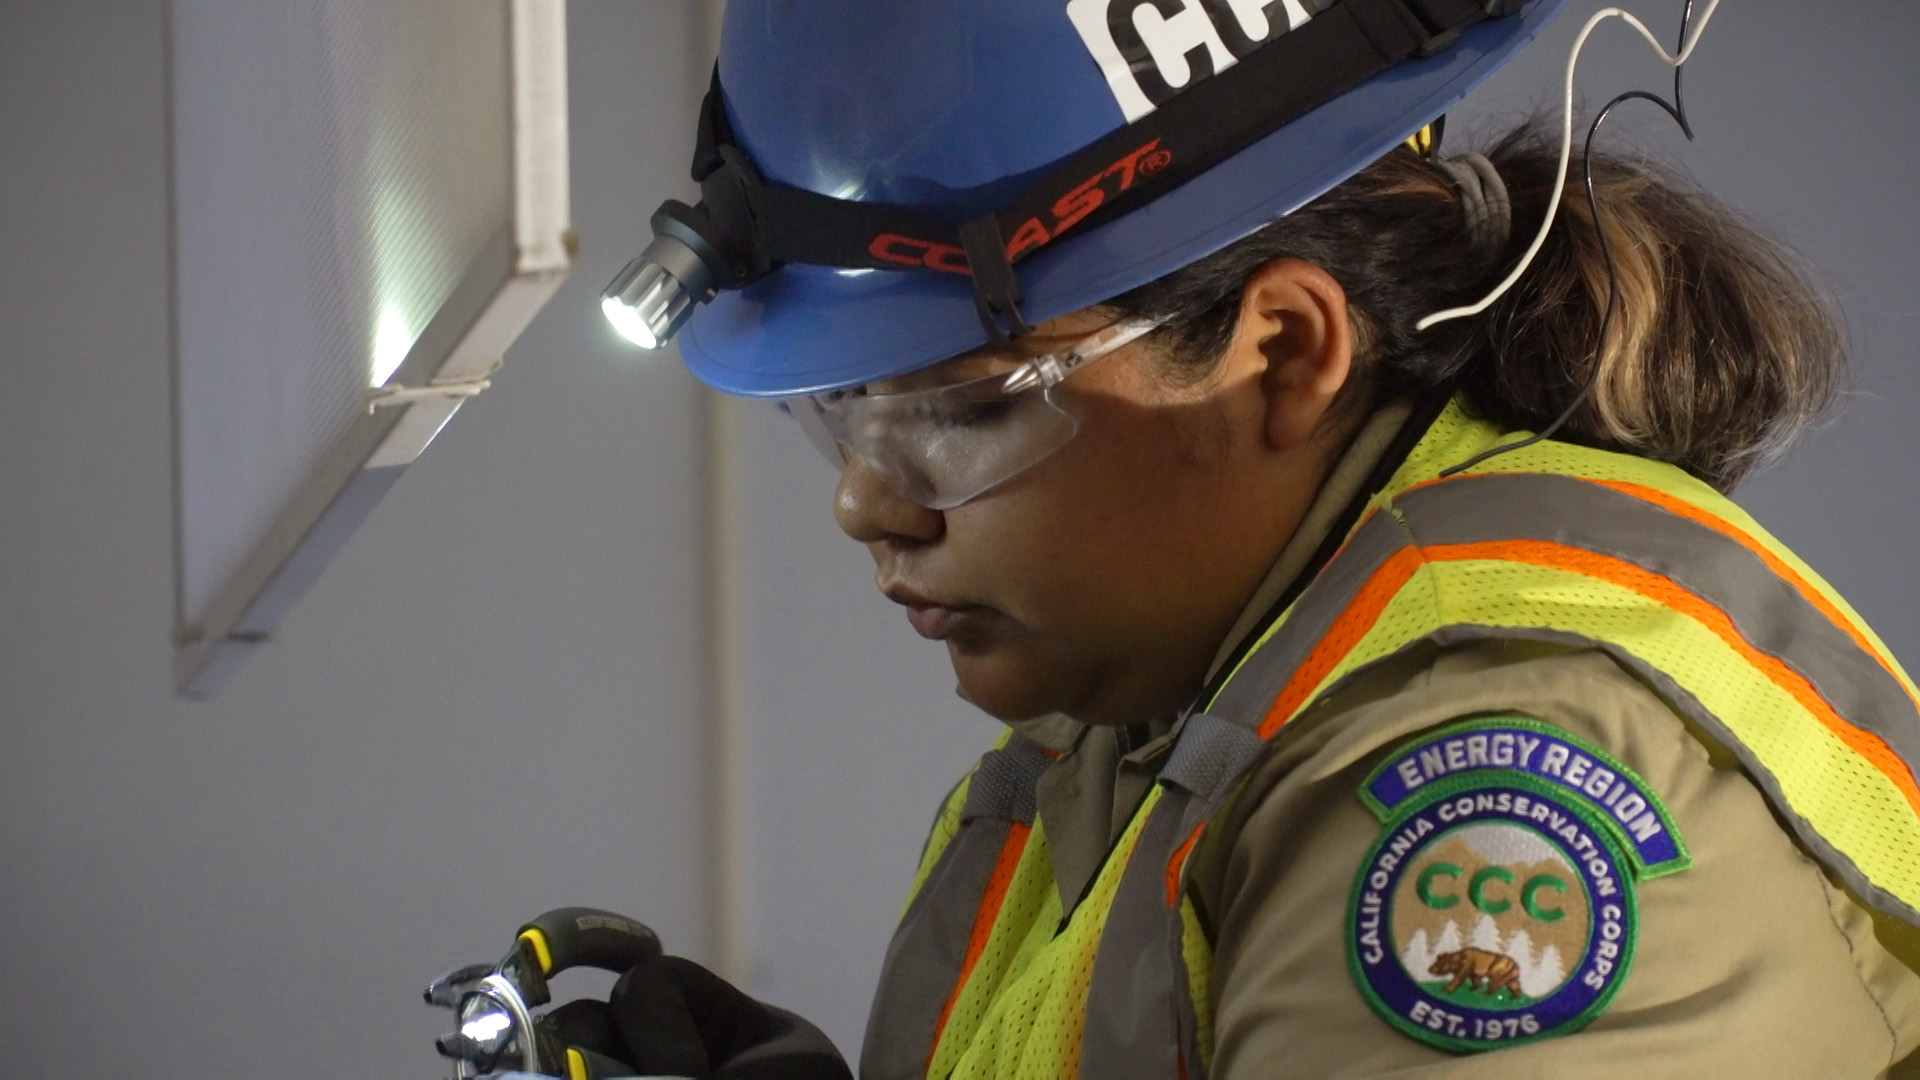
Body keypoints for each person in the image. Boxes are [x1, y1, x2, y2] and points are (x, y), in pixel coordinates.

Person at [557, 0, 1920, 1076]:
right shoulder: (1138, 724)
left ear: (1282, 352)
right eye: (841, 412)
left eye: (960, 411)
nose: (866, 500)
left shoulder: (1487, 778)